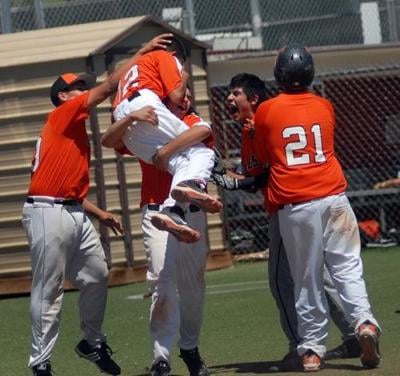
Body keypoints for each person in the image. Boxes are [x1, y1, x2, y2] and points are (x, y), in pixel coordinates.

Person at [21, 34, 172, 376]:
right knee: (49, 290)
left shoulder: (72, 132)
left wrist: (99, 213)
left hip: (69, 209)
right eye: (77, 88)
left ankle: (90, 342)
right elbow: (106, 89)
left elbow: (63, 186)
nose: (83, 92)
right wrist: (142, 52)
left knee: (96, 275)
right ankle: (40, 362)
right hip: (48, 212)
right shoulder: (63, 114)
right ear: (63, 96)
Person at [212, 73, 361, 370]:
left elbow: (268, 175)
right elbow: (259, 171)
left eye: (236, 93)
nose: (229, 98)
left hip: (289, 210)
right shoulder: (252, 127)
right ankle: (356, 334)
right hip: (318, 203)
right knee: (323, 278)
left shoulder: (261, 123)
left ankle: (299, 348)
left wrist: (234, 184)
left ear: (254, 99)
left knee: (283, 281)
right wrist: (231, 173)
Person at [253, 43, 381, 371]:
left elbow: (265, 158)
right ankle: (364, 322)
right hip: (335, 198)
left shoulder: (266, 110)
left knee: (306, 278)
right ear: (310, 73)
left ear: (279, 74)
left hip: (297, 206)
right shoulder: (325, 105)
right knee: (347, 268)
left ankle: (311, 349)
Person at [102, 87, 210, 376]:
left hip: (191, 214)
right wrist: (130, 117)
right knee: (161, 283)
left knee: (193, 288)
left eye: (189, 93)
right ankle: (161, 358)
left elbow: (202, 134)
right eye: (180, 93)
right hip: (156, 209)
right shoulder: (144, 126)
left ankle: (190, 348)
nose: (186, 98)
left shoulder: (190, 121)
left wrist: (165, 151)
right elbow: (109, 140)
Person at [112, 35, 222, 243]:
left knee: (180, 160)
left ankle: (171, 210)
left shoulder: (134, 66)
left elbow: (111, 142)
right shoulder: (164, 55)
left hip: (123, 116)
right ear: (175, 56)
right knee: (201, 151)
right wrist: (185, 76)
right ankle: (192, 184)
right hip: (145, 104)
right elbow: (176, 96)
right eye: (180, 62)